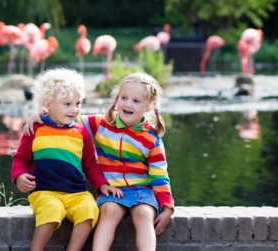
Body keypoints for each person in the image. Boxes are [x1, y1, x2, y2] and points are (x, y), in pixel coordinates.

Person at [24, 72, 174, 251]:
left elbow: (160, 176)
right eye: (123, 97)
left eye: (136, 101)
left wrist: (166, 208)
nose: (127, 104)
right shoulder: (101, 123)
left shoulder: (152, 139)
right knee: (108, 211)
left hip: (142, 190)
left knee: (143, 214)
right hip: (111, 189)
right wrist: (40, 114)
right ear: (116, 99)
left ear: (149, 106)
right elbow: (64, 115)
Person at [11, 68, 122, 251]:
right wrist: (19, 176)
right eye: (67, 104)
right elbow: (20, 159)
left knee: (89, 209)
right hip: (44, 192)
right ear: (48, 103)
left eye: (78, 103)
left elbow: (89, 165)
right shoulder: (36, 129)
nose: (74, 109)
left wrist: (102, 184)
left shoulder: (81, 132)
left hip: (76, 193)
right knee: (53, 209)